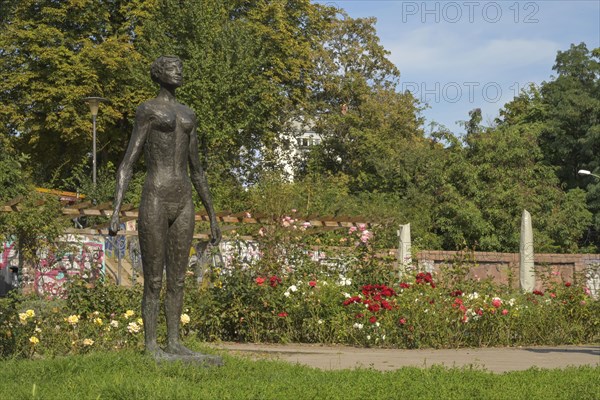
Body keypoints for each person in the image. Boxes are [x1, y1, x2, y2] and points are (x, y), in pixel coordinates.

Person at [109, 55, 221, 360]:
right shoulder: (148, 110)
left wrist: (212, 215)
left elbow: (197, 169)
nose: (179, 71)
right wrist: (116, 210)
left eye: (182, 67)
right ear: (159, 74)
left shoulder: (189, 115)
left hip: (183, 199)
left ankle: (173, 342)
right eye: (173, 68)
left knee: (179, 278)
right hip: (156, 196)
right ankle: (151, 346)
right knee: (154, 279)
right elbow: (127, 164)